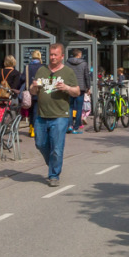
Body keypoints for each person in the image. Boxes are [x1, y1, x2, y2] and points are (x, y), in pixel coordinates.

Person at [30, 43, 81, 186]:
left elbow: (77, 91)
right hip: (41, 114)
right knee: (40, 144)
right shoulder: (41, 70)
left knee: (57, 148)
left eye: (55, 55)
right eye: (51, 55)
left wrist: (66, 88)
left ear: (62, 56)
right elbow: (32, 91)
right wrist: (34, 87)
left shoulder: (68, 72)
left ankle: (54, 175)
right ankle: (53, 164)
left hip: (60, 115)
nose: (52, 57)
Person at [67, 47, 91, 132]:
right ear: (79, 55)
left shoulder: (67, 63)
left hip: (70, 87)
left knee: (69, 107)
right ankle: (76, 126)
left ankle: (69, 125)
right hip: (81, 88)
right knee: (79, 108)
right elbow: (86, 76)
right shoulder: (84, 64)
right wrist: (88, 87)